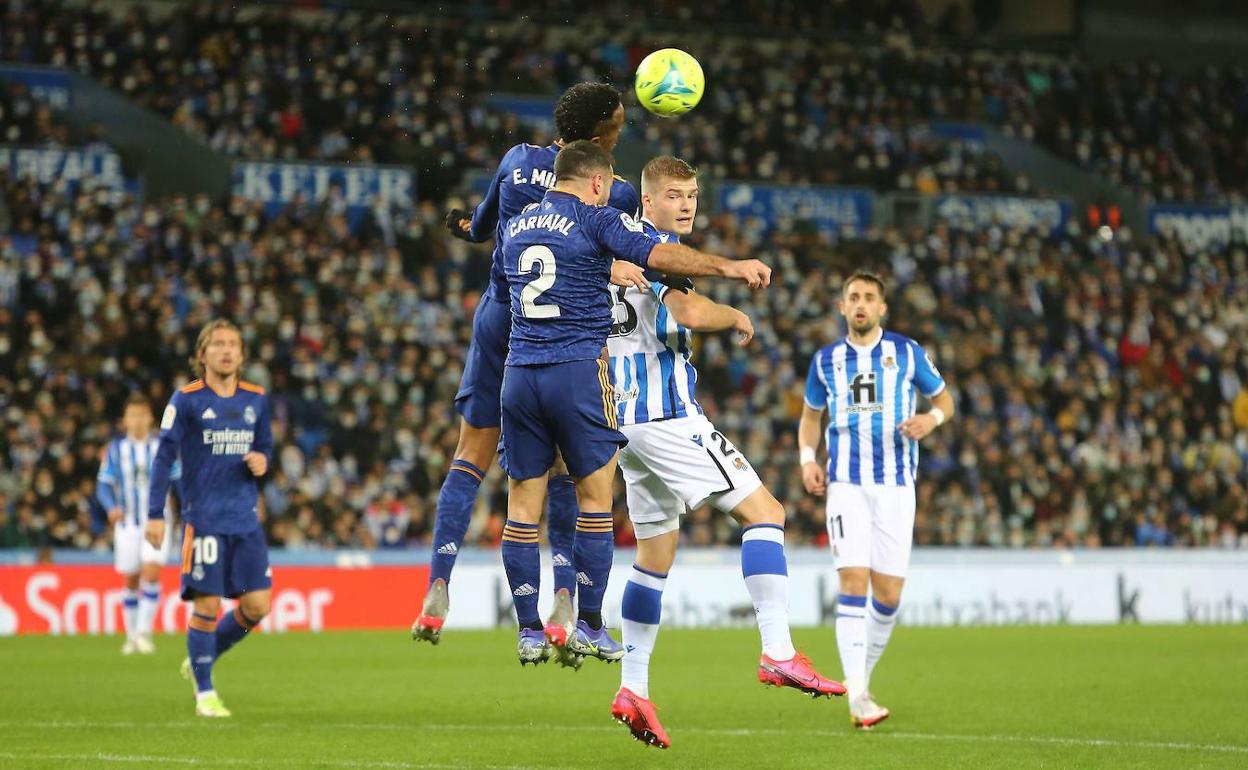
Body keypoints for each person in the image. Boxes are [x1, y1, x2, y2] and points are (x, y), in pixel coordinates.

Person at [496, 140, 770, 667]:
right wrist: (729, 268)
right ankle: (591, 625)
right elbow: (660, 255)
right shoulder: (596, 221)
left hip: (518, 374)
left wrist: (604, 268)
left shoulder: (518, 224)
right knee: (595, 503)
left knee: (522, 507)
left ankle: (529, 629)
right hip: (575, 374)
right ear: (599, 182)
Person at [606, 156, 845, 749]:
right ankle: (779, 652)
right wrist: (735, 311)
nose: (685, 205)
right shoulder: (648, 244)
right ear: (649, 199)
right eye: (674, 195)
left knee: (654, 555)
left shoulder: (610, 241)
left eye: (692, 195)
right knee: (766, 514)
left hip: (621, 421)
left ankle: (633, 686)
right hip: (665, 415)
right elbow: (686, 310)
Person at [414, 82, 644, 646]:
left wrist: (464, 226)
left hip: (501, 318)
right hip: (560, 334)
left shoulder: (517, 161)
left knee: (471, 454)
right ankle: (568, 596)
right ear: (598, 138)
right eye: (618, 127)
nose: (622, 135)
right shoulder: (614, 190)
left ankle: (438, 584)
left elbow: (481, 227)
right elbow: (625, 253)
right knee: (570, 464)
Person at [797, 271, 956, 729]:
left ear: (882, 308)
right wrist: (808, 458)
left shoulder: (905, 353)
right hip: (845, 484)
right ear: (842, 307)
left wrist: (932, 420)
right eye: (853, 297)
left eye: (869, 297)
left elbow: (945, 401)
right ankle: (858, 697)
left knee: (888, 594)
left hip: (896, 486)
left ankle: (860, 681)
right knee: (853, 582)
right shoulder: (825, 361)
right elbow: (810, 418)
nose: (861, 303)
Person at [146, 320, 274, 718]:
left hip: (245, 520)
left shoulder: (257, 399)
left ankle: (202, 657)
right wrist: (155, 514)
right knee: (206, 606)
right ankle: (205, 693)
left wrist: (261, 461)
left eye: (233, 344)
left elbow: (265, 446)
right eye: (217, 344)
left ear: (241, 354)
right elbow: (164, 456)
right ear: (202, 355)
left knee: (257, 607)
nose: (226, 350)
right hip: (204, 520)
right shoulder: (185, 400)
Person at [96, 393, 180, 655]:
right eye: (132, 415)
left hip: (157, 522)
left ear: (150, 418)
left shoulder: (163, 447)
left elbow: (178, 482)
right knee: (131, 579)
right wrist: (111, 507)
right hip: (128, 526)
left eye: (141, 414)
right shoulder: (116, 450)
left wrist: (189, 510)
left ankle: (145, 632)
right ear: (125, 420)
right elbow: (103, 486)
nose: (137, 420)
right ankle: (131, 636)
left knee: (152, 572)